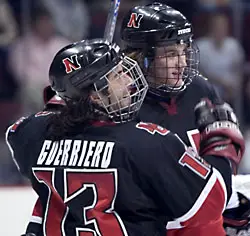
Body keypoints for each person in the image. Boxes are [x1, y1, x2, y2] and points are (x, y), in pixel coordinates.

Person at [6, 39, 243, 236]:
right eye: (118, 75)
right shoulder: (147, 143)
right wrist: (221, 141)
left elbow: (20, 130)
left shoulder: (34, 136)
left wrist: (68, 102)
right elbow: (211, 204)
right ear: (96, 96)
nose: (130, 82)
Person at [119, 2, 249, 235]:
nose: (182, 63)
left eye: (184, 52)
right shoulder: (121, 104)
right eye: (170, 54)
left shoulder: (199, 89)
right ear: (142, 57)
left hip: (204, 218)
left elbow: (221, 182)